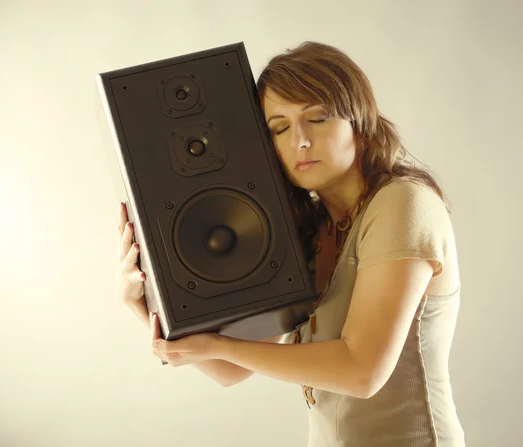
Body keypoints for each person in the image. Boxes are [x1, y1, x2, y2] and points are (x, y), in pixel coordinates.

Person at [116, 41, 465, 446]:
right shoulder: (310, 231)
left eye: (316, 118)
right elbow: (229, 370)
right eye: (279, 128)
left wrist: (219, 343)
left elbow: (362, 371)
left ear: (360, 122)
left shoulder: (402, 202)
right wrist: (144, 307)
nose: (299, 140)